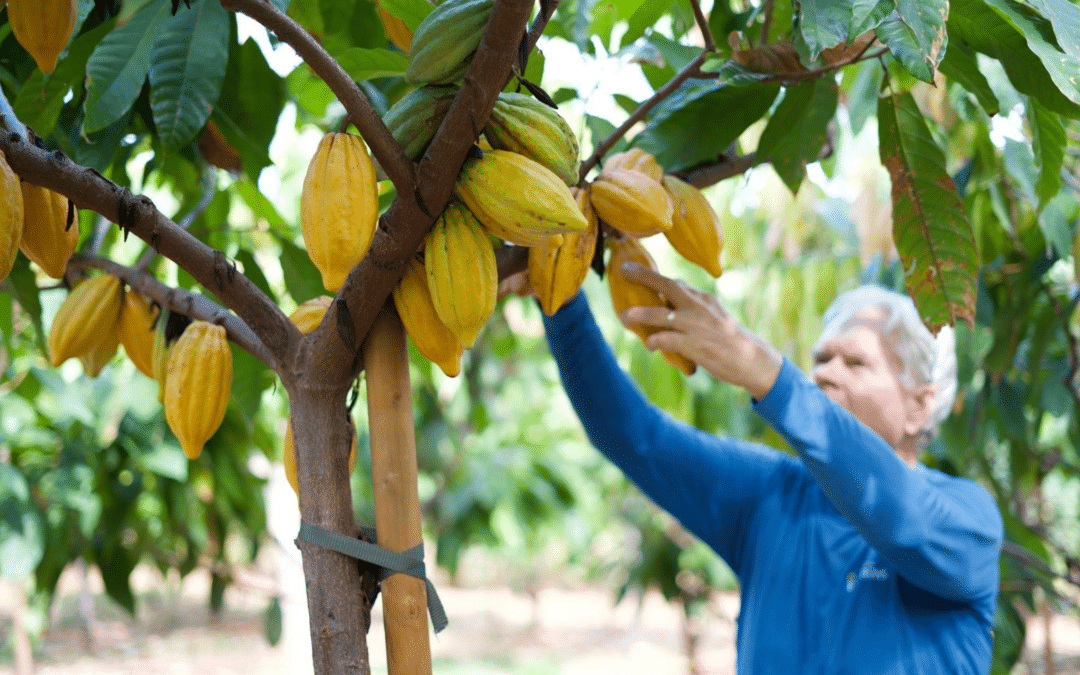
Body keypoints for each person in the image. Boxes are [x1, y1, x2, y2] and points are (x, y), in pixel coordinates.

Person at [539, 263, 1004, 674]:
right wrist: (560, 296)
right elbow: (635, 436)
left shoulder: (969, 521)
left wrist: (770, 377)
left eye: (856, 362)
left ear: (920, 407)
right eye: (821, 359)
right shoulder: (770, 494)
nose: (825, 373)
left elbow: (904, 517)